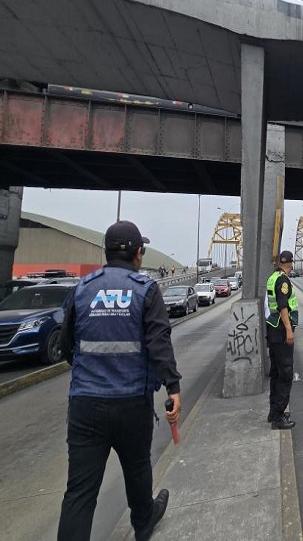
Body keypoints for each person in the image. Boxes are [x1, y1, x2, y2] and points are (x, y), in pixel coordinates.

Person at [57, 220, 182, 541]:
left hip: (85, 404)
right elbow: (159, 342)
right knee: (138, 468)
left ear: (106, 252)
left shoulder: (82, 290)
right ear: (139, 254)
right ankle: (143, 523)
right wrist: (173, 387)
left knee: (80, 493)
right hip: (131, 403)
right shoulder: (145, 290)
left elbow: (67, 345)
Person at [265, 250, 299, 430]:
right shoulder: (283, 281)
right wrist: (289, 330)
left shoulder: (273, 277)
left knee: (276, 373)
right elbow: (283, 305)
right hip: (281, 332)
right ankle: (279, 417)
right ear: (291, 263)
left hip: (273, 331)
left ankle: (273, 412)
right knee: (285, 374)